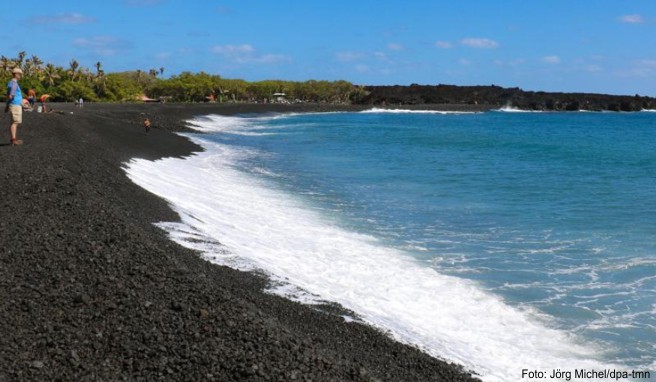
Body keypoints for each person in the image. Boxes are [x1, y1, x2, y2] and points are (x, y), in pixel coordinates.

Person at [5, 68, 24, 145]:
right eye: (19, 74)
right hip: (15, 105)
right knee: (15, 122)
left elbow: (8, 95)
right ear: (16, 74)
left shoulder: (10, 83)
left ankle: (13, 139)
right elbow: (11, 95)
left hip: (13, 104)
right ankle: (13, 140)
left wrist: (7, 105)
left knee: (13, 122)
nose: (20, 76)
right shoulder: (14, 84)